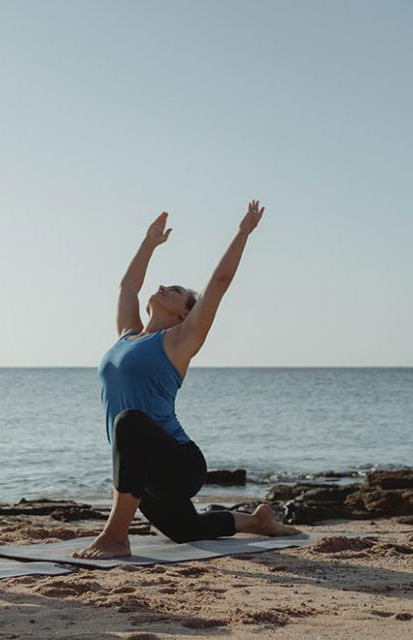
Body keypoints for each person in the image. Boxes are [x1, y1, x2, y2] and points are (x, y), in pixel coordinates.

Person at [75, 202, 299, 559]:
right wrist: (149, 243)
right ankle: (257, 521)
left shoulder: (180, 341)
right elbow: (128, 287)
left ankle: (116, 537)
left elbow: (220, 284)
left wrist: (243, 231)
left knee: (129, 422)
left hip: (179, 463)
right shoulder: (127, 335)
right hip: (144, 469)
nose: (163, 286)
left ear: (184, 313)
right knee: (186, 530)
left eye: (175, 289)